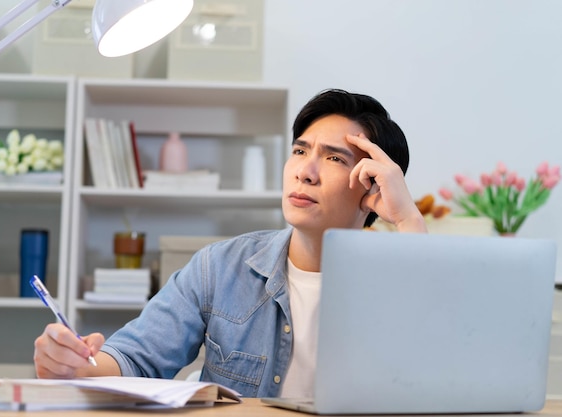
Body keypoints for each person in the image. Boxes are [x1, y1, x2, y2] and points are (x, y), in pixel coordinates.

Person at [33, 88, 427, 397]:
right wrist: (74, 366)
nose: (305, 172)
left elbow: (436, 374)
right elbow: (136, 358)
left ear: (372, 183)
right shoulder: (220, 268)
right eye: (300, 151)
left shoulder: (396, 280)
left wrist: (408, 218)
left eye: (335, 159)